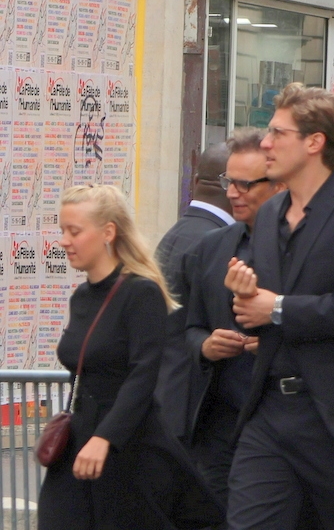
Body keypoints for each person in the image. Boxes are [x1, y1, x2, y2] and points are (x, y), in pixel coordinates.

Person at [223, 83, 334, 530]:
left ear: (314, 142)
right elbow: (262, 307)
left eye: (277, 133)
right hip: (267, 413)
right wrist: (245, 297)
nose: (266, 143)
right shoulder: (268, 214)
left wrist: (278, 308)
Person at [38, 184, 224, 530]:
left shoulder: (140, 292)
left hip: (129, 441)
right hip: (80, 435)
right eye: (62, 230)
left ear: (108, 232)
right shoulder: (81, 297)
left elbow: (144, 372)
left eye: (74, 231)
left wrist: (105, 438)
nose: (64, 241)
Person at [184, 128, 284, 513]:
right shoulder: (212, 247)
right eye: (229, 181)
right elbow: (188, 327)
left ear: (277, 186)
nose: (232, 193)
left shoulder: (302, 250)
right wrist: (206, 346)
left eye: (245, 184)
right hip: (219, 423)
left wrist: (271, 339)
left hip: (279, 418)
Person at [154, 142, 234, 443]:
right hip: (198, 409)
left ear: (196, 181)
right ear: (231, 186)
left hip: (168, 397)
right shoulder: (216, 243)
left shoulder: (175, 234)